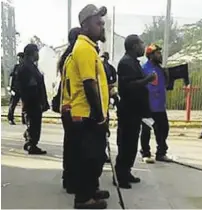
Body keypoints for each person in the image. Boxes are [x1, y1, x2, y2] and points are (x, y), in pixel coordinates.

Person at [64, 4, 110, 209]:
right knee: (89, 158)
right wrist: (100, 117)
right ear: (85, 26)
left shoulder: (89, 48)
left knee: (95, 156)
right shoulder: (82, 48)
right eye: (98, 23)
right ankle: (83, 198)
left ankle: (91, 190)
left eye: (102, 23)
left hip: (91, 114)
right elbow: (89, 84)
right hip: (86, 114)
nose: (102, 26)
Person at [114, 34, 156, 189]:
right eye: (141, 43)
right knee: (125, 144)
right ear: (134, 46)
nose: (143, 46)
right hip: (128, 111)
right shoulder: (125, 63)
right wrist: (147, 79)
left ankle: (127, 172)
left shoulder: (134, 62)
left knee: (132, 145)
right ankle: (120, 176)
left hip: (135, 111)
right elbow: (128, 86)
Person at [55, 27, 81, 193]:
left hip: (66, 107)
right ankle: (72, 181)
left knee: (70, 144)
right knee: (76, 147)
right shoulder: (75, 57)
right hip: (73, 107)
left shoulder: (66, 56)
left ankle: (68, 178)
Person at [139, 44, 172, 163]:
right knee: (147, 129)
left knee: (164, 128)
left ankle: (161, 152)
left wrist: (168, 77)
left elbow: (166, 85)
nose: (160, 55)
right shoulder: (144, 69)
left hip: (160, 105)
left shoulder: (160, 69)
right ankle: (145, 153)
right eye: (157, 53)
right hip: (148, 105)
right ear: (150, 55)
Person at [17, 44, 49, 154]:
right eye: (37, 52)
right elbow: (31, 85)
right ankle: (31, 144)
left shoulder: (30, 65)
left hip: (33, 101)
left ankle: (30, 141)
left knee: (34, 123)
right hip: (32, 101)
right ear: (32, 53)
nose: (38, 54)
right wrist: (38, 100)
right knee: (34, 123)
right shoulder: (27, 67)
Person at [7, 52, 25, 125]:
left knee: (24, 105)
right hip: (15, 89)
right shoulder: (16, 67)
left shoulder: (25, 67)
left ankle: (24, 119)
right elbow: (11, 77)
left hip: (23, 89)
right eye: (18, 58)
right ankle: (10, 118)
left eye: (20, 58)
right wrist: (10, 88)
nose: (19, 60)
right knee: (13, 104)